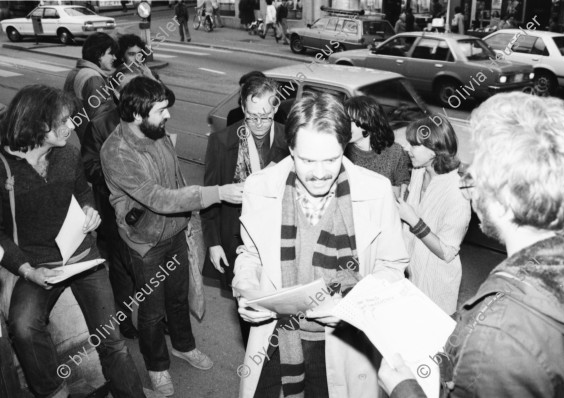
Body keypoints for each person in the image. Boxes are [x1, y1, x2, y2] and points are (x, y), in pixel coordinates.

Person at [379, 92, 564, 398]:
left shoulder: (495, 335)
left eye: (479, 174)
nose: (471, 187)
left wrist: (403, 388)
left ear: (502, 200)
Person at [233, 92, 409, 398]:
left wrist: (355, 308)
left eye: (330, 159)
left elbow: (393, 267)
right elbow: (250, 254)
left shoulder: (376, 191)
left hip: (344, 342)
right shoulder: (259, 187)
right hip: (277, 337)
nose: (319, 172)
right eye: (306, 160)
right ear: (290, 148)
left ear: (345, 146)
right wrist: (247, 290)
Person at [0, 85, 147, 398]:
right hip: (37, 264)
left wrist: (90, 210)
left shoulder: (67, 152)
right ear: (37, 124)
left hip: (83, 256)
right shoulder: (3, 168)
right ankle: (53, 392)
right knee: (23, 328)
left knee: (113, 342)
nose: (71, 126)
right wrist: (27, 271)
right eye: (63, 121)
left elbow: (81, 191)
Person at [100, 76, 242, 396]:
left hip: (175, 232)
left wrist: (188, 221)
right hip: (146, 243)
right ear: (137, 114)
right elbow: (159, 198)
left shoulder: (157, 131)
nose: (168, 116)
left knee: (178, 298)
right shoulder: (117, 151)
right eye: (161, 110)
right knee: (152, 312)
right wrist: (216, 193)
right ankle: (156, 367)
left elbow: (175, 179)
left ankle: (184, 346)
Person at [201, 76, 289, 347]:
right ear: (242, 108)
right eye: (251, 117)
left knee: (280, 303)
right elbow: (210, 194)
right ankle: (254, 356)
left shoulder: (291, 138)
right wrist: (213, 243)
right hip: (236, 238)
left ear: (275, 108)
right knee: (248, 305)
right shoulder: (222, 141)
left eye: (265, 116)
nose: (259, 124)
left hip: (279, 236)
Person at [81, 71, 162, 340]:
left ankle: (157, 318)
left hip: (152, 209)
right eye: (130, 89)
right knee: (122, 271)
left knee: (152, 268)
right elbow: (90, 167)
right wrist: (123, 174)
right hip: (118, 212)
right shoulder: (101, 125)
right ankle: (124, 320)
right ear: (117, 93)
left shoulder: (152, 118)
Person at [398, 116, 471, 315]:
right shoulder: (419, 172)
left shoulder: (457, 191)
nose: (407, 148)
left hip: (435, 288)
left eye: (414, 144)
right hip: (409, 278)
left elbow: (447, 252)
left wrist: (413, 220)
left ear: (434, 149)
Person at [343, 96, 411, 200]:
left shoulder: (395, 152)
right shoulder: (340, 152)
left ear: (368, 121)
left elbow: (404, 192)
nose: (343, 125)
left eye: (350, 121)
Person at [64, 32, 118, 141]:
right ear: (98, 54)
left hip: (85, 136)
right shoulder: (93, 78)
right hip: (99, 141)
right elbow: (101, 118)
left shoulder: (76, 72)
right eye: (111, 53)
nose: (115, 57)